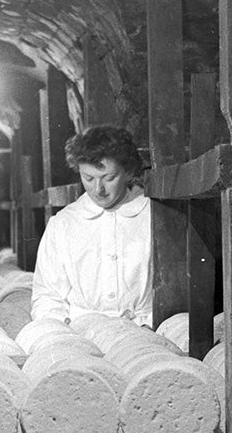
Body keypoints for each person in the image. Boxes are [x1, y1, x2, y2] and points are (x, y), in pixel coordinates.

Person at [31, 125, 153, 326]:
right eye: (88, 178)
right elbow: (46, 295)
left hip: (146, 333)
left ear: (128, 171)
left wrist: (149, 323)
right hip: (82, 334)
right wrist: (63, 327)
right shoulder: (63, 224)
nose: (99, 189)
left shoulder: (152, 216)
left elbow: (176, 291)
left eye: (109, 178)